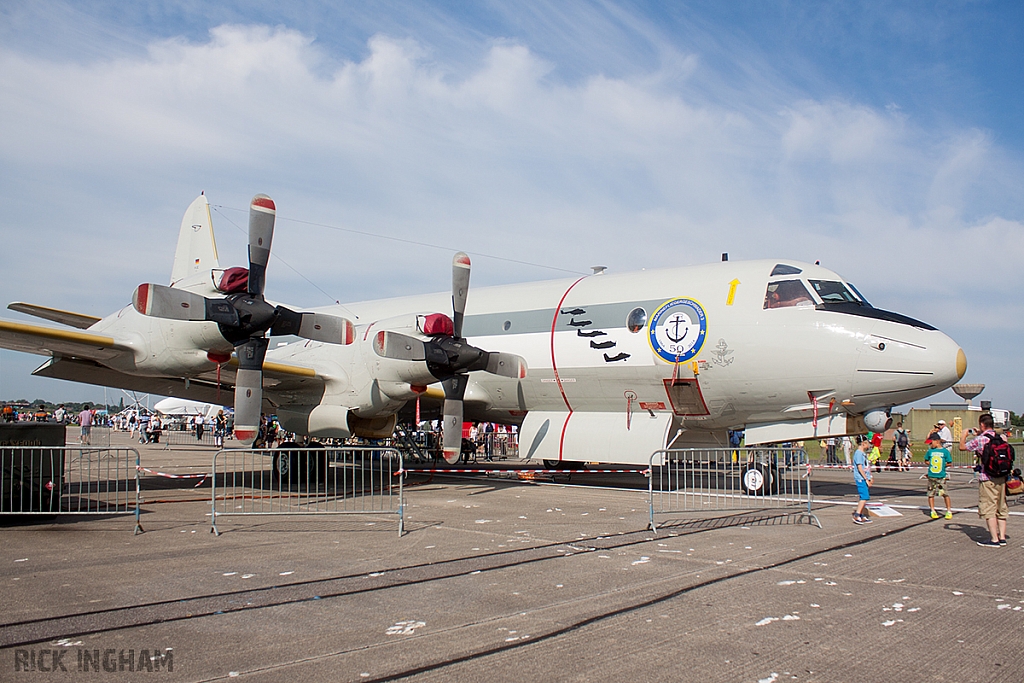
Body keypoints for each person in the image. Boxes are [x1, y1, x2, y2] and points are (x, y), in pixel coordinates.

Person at [960, 413, 1012, 548]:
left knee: (989, 507)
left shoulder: (981, 439)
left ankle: (994, 539)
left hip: (987, 477)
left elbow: (963, 447)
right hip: (1001, 477)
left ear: (982, 425)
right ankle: (1002, 537)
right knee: (1001, 507)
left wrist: (964, 435)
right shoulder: (1001, 437)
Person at [924, 435, 953, 519]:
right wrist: (930, 464)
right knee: (931, 494)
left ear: (937, 441)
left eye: (931, 442)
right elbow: (926, 460)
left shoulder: (945, 452)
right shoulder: (930, 451)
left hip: (941, 476)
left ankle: (948, 510)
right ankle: (932, 510)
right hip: (932, 476)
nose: (930, 444)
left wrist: (943, 465)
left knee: (944, 493)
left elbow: (949, 462)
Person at [852, 439, 874, 525]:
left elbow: (866, 467)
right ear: (863, 443)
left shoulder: (863, 454)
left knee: (865, 497)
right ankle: (857, 515)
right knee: (864, 497)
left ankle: (861, 514)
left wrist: (870, 477)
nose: (869, 446)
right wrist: (865, 479)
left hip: (865, 478)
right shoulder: (858, 454)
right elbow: (860, 467)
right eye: (868, 444)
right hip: (860, 478)